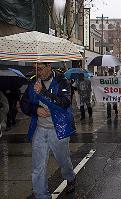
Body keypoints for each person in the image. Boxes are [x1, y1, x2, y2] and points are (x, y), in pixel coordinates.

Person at [20, 62, 76, 198]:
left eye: (40, 68)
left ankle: (70, 177)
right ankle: (42, 195)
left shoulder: (62, 81)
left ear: (49, 66)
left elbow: (64, 103)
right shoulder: (33, 82)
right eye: (35, 68)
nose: (38, 72)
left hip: (58, 130)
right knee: (38, 167)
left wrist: (43, 93)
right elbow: (24, 103)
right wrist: (35, 109)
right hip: (39, 129)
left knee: (63, 161)